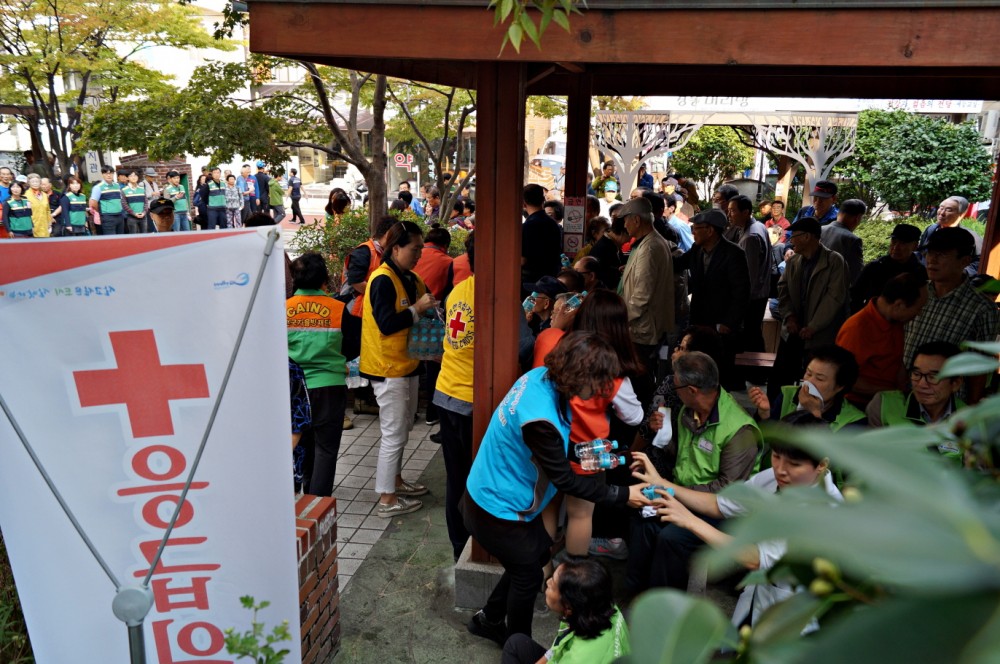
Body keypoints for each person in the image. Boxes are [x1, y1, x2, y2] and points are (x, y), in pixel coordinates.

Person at [463, 331, 650, 645]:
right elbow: (564, 479)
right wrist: (623, 494)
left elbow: (557, 450)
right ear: (581, 376)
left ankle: (488, 618)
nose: (603, 389)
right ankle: (519, 648)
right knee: (528, 575)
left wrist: (596, 454)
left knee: (533, 556)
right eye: (600, 381)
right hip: (495, 507)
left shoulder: (541, 378)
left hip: (490, 494)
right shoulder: (540, 418)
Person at [631, 441, 841, 628]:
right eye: (776, 456)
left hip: (793, 614)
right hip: (761, 594)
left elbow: (755, 558)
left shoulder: (824, 512)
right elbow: (720, 504)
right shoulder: (775, 478)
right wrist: (664, 484)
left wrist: (690, 521)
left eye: (794, 464)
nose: (780, 470)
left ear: (822, 465)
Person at [625, 351, 760, 594]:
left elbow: (727, 492)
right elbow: (681, 455)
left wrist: (675, 492)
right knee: (642, 518)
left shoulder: (740, 430)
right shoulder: (687, 411)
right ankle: (636, 595)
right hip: (681, 493)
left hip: (719, 509)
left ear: (692, 390)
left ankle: (666, 604)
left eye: (676, 386)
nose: (673, 391)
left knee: (671, 537)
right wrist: (659, 433)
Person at [360, 220, 437, 517]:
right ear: (395, 248)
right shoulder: (382, 279)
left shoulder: (411, 277)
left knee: (403, 430)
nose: (419, 255)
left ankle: (396, 481)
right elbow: (387, 324)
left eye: (421, 249)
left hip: (407, 363)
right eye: (414, 249)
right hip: (387, 368)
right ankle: (387, 499)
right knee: (393, 434)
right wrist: (417, 308)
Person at [287, 253, 361, 497]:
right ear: (323, 279)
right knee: (325, 449)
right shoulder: (338, 309)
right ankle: (317, 505)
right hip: (329, 387)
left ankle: (299, 495)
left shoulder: (282, 309)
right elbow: (353, 347)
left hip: (292, 389)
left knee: (300, 442)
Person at [903, 227, 999, 403]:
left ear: (965, 261)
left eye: (942, 255)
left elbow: (979, 367)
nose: (931, 260)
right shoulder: (916, 292)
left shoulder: (982, 309)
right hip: (902, 393)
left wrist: (970, 410)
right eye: (930, 253)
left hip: (945, 403)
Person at [770, 216, 850, 401]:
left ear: (807, 237)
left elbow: (834, 298)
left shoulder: (834, 261)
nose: (791, 241)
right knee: (780, 378)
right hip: (792, 331)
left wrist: (814, 326)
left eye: (794, 236)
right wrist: (789, 316)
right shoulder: (794, 261)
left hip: (820, 336)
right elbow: (783, 289)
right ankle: (773, 412)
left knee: (814, 382)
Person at [432, 231, 476, 560]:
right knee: (476, 478)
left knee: (455, 477)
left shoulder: (458, 290)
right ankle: (473, 543)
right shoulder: (494, 295)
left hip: (446, 390)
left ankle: (458, 545)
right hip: (472, 400)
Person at [673, 209, 750, 390]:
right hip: (699, 321)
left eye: (696, 228)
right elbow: (677, 264)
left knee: (720, 372)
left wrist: (729, 322)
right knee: (698, 369)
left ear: (710, 231)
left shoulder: (733, 253)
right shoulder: (697, 250)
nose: (693, 232)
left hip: (721, 325)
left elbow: (742, 292)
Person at [501, 558, 630, 664]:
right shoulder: (600, 607)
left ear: (568, 607)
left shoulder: (578, 658)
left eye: (553, 586)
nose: (548, 582)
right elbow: (557, 647)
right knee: (516, 643)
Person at [836, 273, 927, 407]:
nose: (919, 314)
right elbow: (845, 379)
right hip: (858, 406)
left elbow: (895, 360)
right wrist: (892, 392)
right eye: (918, 308)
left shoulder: (895, 321)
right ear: (899, 305)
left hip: (890, 400)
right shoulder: (856, 329)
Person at [867, 342, 966, 456]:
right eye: (916, 374)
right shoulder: (884, 405)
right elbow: (869, 456)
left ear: (955, 384)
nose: (921, 384)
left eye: (933, 377)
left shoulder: (970, 419)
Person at [616, 196, 675, 379]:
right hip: (645, 326)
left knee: (640, 378)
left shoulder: (649, 247)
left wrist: (620, 321)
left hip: (642, 329)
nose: (624, 225)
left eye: (626, 220)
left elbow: (642, 295)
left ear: (636, 220)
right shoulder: (651, 241)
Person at [749, 345, 865, 431]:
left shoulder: (854, 420)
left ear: (839, 386)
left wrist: (815, 415)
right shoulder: (787, 394)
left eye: (820, 379)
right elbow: (766, 439)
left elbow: (830, 455)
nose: (809, 381)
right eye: (808, 373)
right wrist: (764, 414)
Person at [413, 224, 454, 426]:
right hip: (431, 318)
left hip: (408, 313)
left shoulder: (413, 255)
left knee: (410, 363)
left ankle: (411, 411)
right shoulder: (448, 262)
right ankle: (431, 413)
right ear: (445, 245)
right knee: (433, 365)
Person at [727, 195, 773, 357]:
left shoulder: (750, 237)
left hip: (753, 297)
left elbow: (749, 275)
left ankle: (756, 368)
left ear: (746, 212)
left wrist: (738, 301)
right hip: (759, 293)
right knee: (753, 333)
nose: (729, 215)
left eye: (733, 211)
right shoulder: (758, 226)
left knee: (750, 335)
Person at [850, 223, 926, 312]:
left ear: (915, 246)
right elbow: (855, 296)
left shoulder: (919, 272)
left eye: (903, 243)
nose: (896, 247)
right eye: (894, 241)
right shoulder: (875, 267)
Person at [919, 196, 984, 277]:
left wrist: (958, 273)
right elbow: (920, 252)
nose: (942, 213)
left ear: (961, 214)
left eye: (948, 210)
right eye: (941, 208)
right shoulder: (931, 229)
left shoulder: (969, 236)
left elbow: (979, 263)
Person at [521, 183, 562, 286]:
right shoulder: (553, 224)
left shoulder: (527, 226)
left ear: (524, 203)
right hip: (551, 278)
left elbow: (523, 260)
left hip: (531, 282)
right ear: (543, 200)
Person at [820, 198, 866, 286]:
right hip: (834, 290)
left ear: (839, 213)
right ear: (857, 218)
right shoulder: (852, 240)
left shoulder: (820, 229)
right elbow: (856, 274)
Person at [588, 215, 628, 291]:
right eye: (629, 236)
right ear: (623, 233)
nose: (629, 240)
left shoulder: (611, 244)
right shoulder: (604, 246)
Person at [89, 165, 126, 235]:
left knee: (120, 238)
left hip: (119, 216)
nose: (109, 175)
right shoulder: (98, 187)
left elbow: (120, 200)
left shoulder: (117, 186)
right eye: (106, 173)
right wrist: (100, 211)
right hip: (107, 217)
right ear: (102, 174)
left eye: (111, 173)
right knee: (111, 239)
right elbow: (93, 203)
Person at [25, 173, 52, 238]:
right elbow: (25, 213)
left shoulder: (44, 195)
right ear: (29, 183)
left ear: (40, 183)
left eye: (37, 181)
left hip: (44, 225)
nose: (35, 183)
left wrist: (49, 223)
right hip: (32, 225)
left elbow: (48, 210)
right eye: (33, 182)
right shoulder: (25, 196)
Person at [123, 170, 148, 235]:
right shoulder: (124, 190)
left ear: (138, 177)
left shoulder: (142, 189)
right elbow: (124, 204)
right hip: (131, 217)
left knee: (144, 236)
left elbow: (146, 202)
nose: (133, 177)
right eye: (131, 176)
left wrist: (144, 212)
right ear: (127, 178)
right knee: (133, 236)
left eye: (135, 175)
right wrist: (134, 214)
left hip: (143, 216)